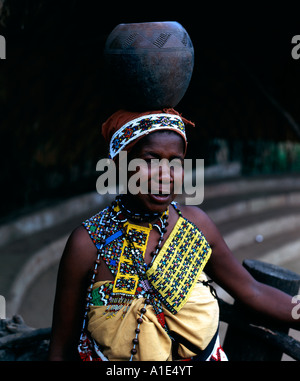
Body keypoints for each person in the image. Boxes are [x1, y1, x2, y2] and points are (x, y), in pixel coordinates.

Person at [48, 109, 300, 361]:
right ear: (119, 165)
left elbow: (252, 291)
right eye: (150, 160)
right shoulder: (88, 243)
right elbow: (60, 349)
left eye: (175, 162)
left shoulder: (195, 224)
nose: (165, 175)